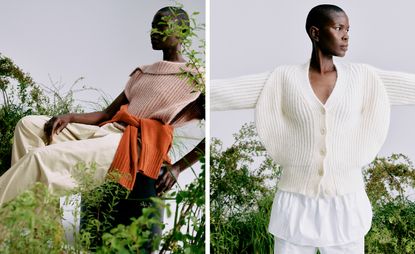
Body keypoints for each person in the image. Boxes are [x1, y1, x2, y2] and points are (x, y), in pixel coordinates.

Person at [211, 4, 415, 254]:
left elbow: (409, 86)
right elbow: (227, 92)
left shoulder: (363, 77)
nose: (346, 35)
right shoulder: (283, 78)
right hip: (295, 202)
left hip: (346, 201)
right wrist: (187, 91)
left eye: (348, 29)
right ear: (315, 33)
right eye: (338, 28)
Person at [0, 5, 204, 249]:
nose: (153, 31)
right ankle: (43, 227)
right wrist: (70, 116)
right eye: (152, 25)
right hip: (110, 128)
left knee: (39, 159)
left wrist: (178, 168)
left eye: (161, 25)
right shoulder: (143, 72)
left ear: (181, 32)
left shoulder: (195, 78)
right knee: (29, 126)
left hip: (133, 145)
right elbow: (108, 113)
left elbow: (212, 133)